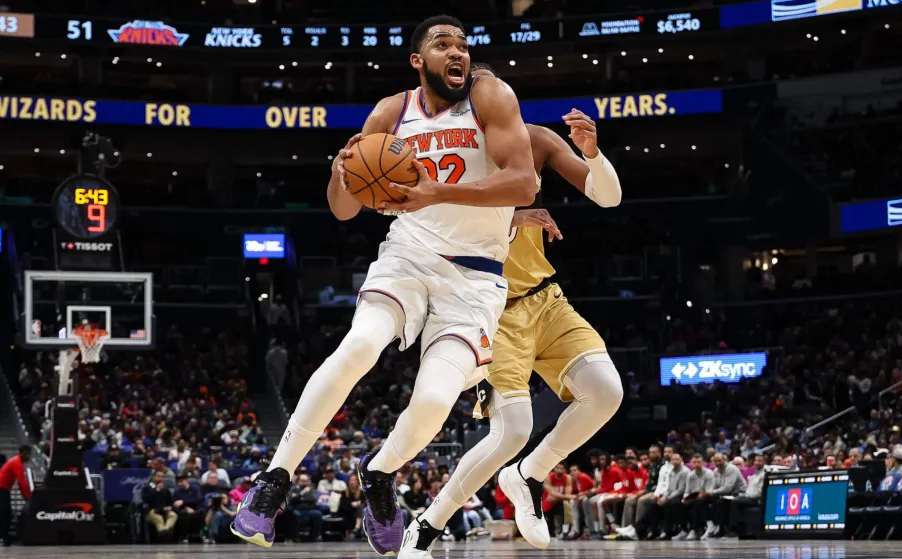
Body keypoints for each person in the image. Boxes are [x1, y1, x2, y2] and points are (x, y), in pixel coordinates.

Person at [232, 14, 535, 553]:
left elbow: (524, 182)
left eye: (462, 45)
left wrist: (435, 192)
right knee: (359, 345)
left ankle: (378, 473)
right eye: (443, 44)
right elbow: (345, 209)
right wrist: (340, 170)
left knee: (435, 401)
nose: (457, 52)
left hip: (476, 279)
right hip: (409, 256)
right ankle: (273, 481)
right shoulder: (392, 112)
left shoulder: (489, 94)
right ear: (418, 60)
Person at [402, 63, 623, 559]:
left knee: (606, 392)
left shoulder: (535, 139)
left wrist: (594, 154)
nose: (491, 98)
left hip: (546, 298)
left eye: (498, 90)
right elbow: (432, 226)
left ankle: (529, 475)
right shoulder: (444, 147)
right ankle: (429, 524)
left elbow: (608, 199)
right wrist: (514, 216)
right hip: (490, 305)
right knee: (512, 430)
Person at [676, 454, 714, 540]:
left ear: (703, 463)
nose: (696, 464)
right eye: (694, 462)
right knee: (680, 504)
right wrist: (685, 498)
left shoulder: (709, 473)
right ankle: (684, 530)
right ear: (691, 463)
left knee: (697, 503)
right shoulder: (690, 475)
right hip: (694, 496)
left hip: (707, 497)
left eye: (699, 462)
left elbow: (710, 490)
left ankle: (695, 529)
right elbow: (687, 490)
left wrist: (703, 494)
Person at [0, 446, 31, 546]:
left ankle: (5, 538)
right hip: (2, 489)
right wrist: (29, 498)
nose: (29, 456)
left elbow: (21, 483)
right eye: (27, 454)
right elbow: (22, 482)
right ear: (21, 453)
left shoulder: (17, 462)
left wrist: (27, 497)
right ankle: (4, 539)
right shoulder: (17, 462)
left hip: (4, 489)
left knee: (6, 513)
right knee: (4, 514)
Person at [142, 470, 178, 541]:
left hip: (165, 509)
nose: (160, 478)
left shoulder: (165, 490)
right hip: (153, 510)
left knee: (173, 515)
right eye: (158, 476)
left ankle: (165, 530)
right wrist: (157, 490)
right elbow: (148, 500)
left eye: (162, 477)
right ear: (153, 477)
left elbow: (170, 501)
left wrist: (169, 507)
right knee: (159, 518)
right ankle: (163, 535)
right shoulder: (147, 488)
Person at [541, 463, 573, 537]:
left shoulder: (568, 478)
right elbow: (552, 492)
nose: (559, 470)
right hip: (548, 501)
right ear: (554, 468)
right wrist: (564, 496)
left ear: (565, 470)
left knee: (566, 505)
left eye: (562, 468)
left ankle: (565, 531)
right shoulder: (548, 477)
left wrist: (559, 496)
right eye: (557, 468)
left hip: (560, 501)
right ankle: (550, 533)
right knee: (548, 506)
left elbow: (568, 494)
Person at [172, 474, 205, 542]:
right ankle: (184, 536)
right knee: (183, 513)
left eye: (181, 481)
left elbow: (197, 500)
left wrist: (183, 502)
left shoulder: (195, 489)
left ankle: (202, 534)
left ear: (186, 480)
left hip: (195, 509)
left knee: (201, 512)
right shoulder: (177, 492)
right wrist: (186, 507)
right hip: (183, 510)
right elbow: (175, 504)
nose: (179, 483)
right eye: (178, 482)